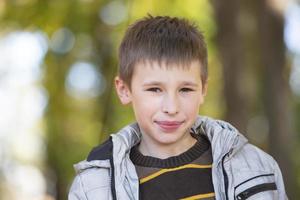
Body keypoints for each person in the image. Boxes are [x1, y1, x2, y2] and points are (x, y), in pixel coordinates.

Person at [68, 15, 288, 200]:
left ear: (203, 90)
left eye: (185, 90)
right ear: (124, 90)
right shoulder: (93, 187)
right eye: (155, 89)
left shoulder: (256, 166)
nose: (171, 107)